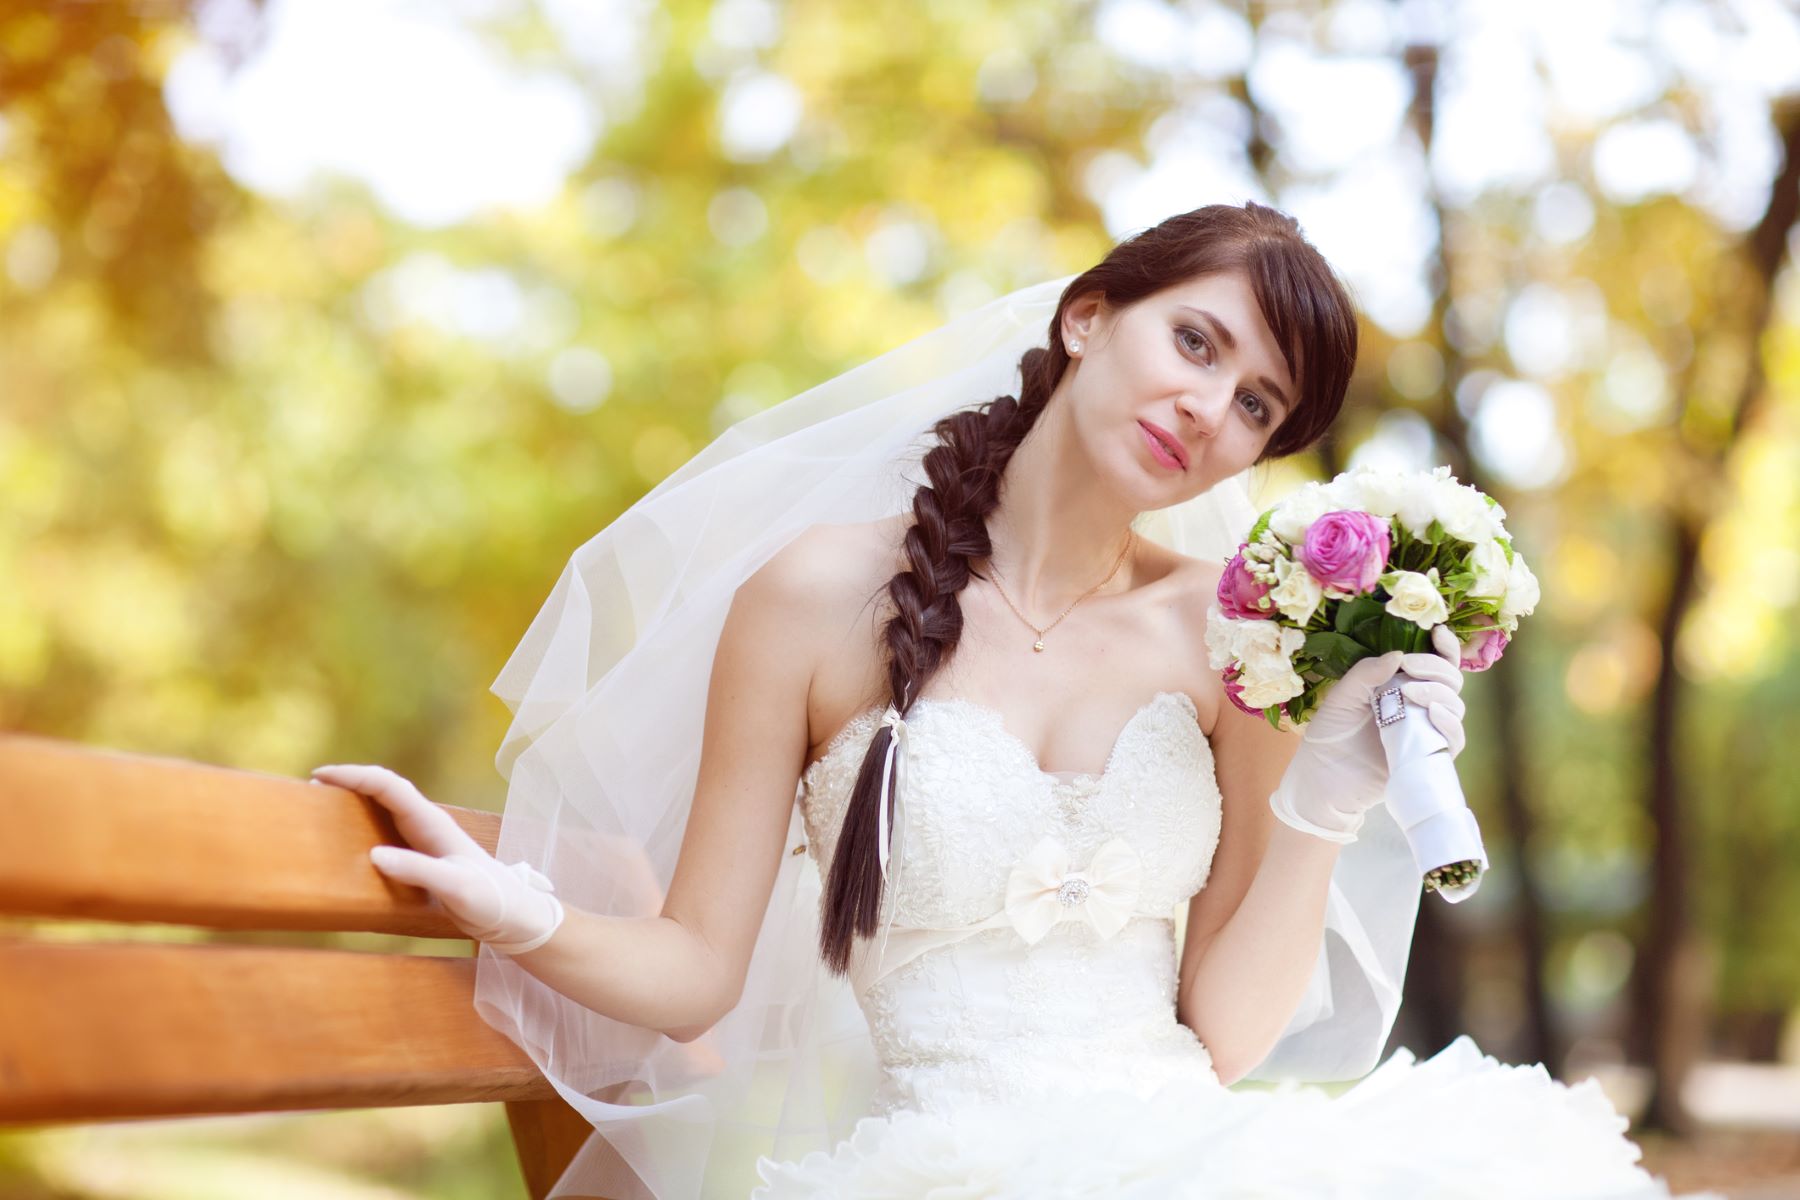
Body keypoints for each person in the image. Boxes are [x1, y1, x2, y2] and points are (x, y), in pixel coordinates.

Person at [311, 204, 1716, 1199]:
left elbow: (1223, 1035)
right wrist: (511, 906)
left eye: (1257, 408)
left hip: (1171, 1147)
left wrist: (1323, 804)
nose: (1210, 410)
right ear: (1090, 315)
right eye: (1198, 344)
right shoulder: (819, 598)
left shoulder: (1234, 637)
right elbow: (695, 967)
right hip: (946, 1161)